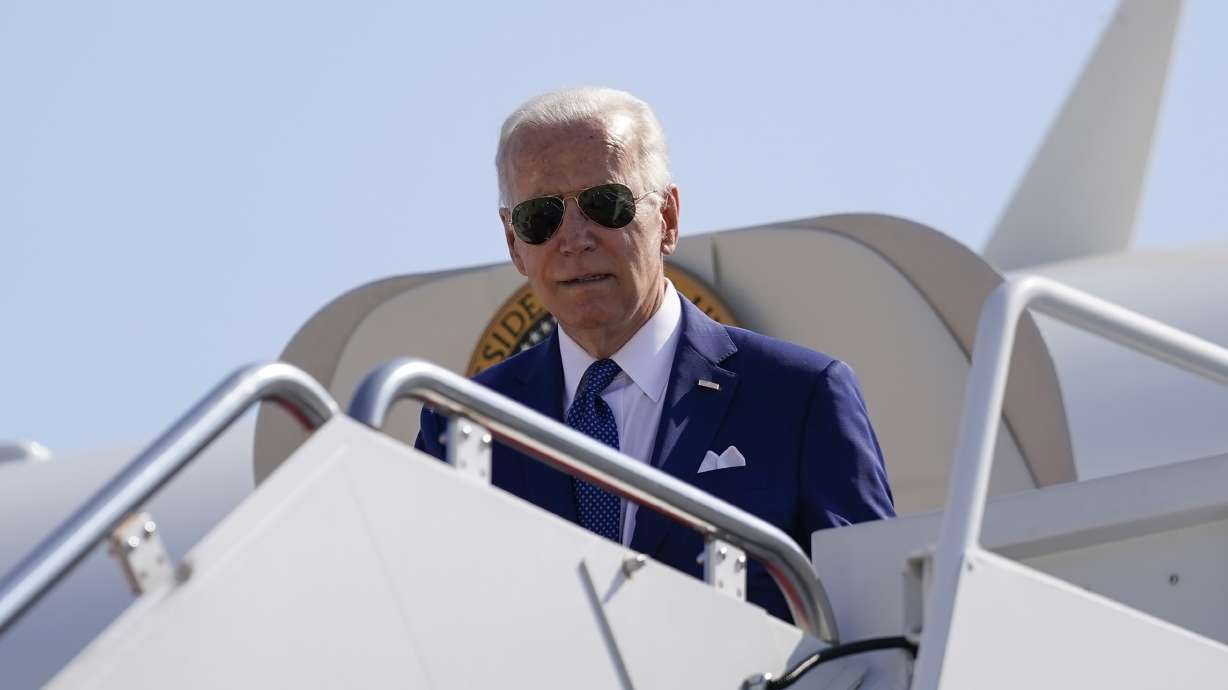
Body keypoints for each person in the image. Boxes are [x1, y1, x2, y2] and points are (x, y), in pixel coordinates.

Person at [416, 86, 894, 622]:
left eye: (605, 204)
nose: (574, 239)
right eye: (540, 217)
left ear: (667, 217)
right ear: (513, 244)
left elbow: (873, 627)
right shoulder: (462, 426)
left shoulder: (799, 398)